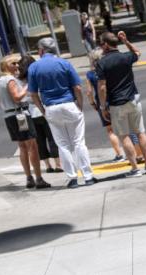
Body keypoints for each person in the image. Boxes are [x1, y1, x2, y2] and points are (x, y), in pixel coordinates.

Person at [27, 37, 97, 189]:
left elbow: (33, 93)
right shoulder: (64, 63)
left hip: (51, 107)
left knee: (63, 144)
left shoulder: (34, 67)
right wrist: (79, 104)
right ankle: (88, 176)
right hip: (69, 103)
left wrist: (42, 110)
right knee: (78, 142)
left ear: (40, 50)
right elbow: (77, 88)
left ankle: (72, 178)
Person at [96, 30, 146, 177]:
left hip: (116, 103)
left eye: (101, 44)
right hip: (132, 99)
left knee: (124, 136)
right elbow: (138, 52)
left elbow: (102, 87)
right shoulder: (126, 57)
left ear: (105, 45)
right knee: (140, 132)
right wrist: (126, 41)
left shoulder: (101, 63)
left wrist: (103, 106)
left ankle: (135, 168)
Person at [0, 54, 50, 189]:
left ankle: (29, 177)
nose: (17, 65)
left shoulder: (1, 80)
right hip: (20, 115)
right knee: (32, 146)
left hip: (9, 116)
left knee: (22, 147)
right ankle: (38, 178)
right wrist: (27, 87)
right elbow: (17, 97)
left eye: (17, 63)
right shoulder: (10, 80)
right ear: (6, 66)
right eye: (13, 63)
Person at [17, 54, 61, 175]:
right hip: (43, 109)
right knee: (52, 137)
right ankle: (58, 163)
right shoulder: (38, 75)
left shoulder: (18, 80)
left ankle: (47, 165)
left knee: (39, 140)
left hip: (29, 112)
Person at [85, 47, 125, 162]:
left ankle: (119, 154)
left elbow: (88, 92)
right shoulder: (107, 69)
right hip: (115, 99)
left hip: (102, 103)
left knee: (110, 130)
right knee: (122, 128)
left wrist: (92, 103)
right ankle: (131, 151)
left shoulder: (90, 74)